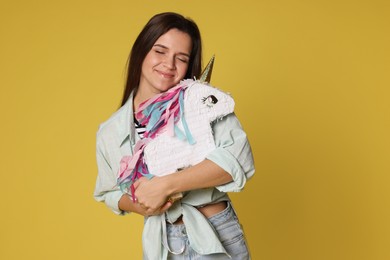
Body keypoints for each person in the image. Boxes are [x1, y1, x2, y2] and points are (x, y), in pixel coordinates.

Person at [94, 12, 255, 259]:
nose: (169, 64)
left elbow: (238, 159)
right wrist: (142, 205)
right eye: (160, 51)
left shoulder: (201, 101)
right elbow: (109, 192)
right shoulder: (110, 130)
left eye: (181, 58)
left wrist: (165, 185)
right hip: (163, 244)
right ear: (142, 51)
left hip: (215, 231)